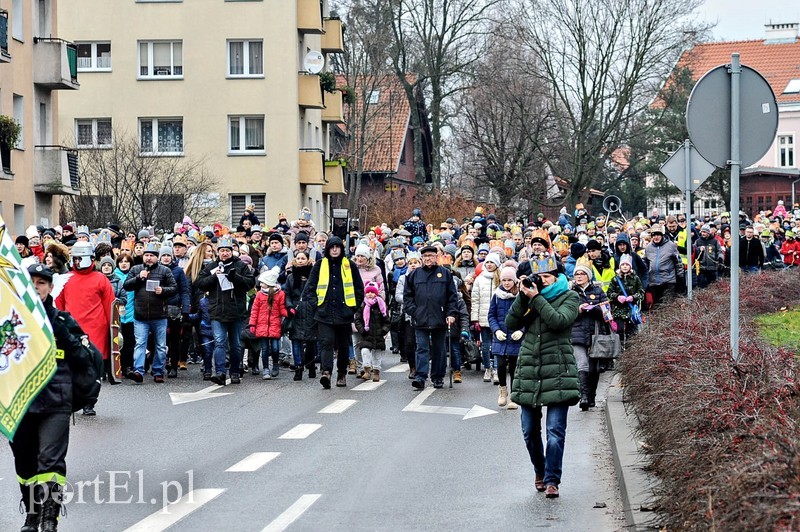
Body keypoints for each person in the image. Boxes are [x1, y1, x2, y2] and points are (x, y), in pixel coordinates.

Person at [12, 266, 84, 532]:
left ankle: (49, 517)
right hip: (20, 402)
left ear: (51, 288)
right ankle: (32, 513)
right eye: (31, 282)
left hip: (56, 401)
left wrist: (59, 330)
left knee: (51, 463)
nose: (37, 286)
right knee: (25, 462)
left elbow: (84, 357)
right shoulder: (9, 322)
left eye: (42, 282)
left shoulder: (63, 321)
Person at [506, 256, 580, 499]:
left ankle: (552, 480)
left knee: (555, 432)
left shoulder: (569, 296)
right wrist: (522, 294)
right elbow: (511, 322)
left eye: (547, 276)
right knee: (529, 431)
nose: (543, 281)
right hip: (529, 368)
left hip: (558, 369)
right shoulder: (529, 297)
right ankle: (540, 470)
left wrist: (536, 298)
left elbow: (558, 322)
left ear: (557, 277)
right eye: (540, 277)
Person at [55, 242, 116, 415]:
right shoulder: (65, 279)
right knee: (71, 366)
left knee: (91, 368)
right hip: (72, 329)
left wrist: (112, 333)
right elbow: (59, 306)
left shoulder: (100, 279)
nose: (76, 261)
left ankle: (89, 402)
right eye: (74, 258)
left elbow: (110, 307)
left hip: (95, 329)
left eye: (79, 258)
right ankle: (72, 399)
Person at [302, 236, 364, 389]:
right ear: (327, 249)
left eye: (337, 247)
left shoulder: (349, 265)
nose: (335, 249)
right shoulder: (319, 265)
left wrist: (353, 308)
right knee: (326, 343)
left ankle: (341, 373)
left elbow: (358, 289)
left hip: (344, 313)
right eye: (332, 247)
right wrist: (316, 305)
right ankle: (326, 372)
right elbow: (309, 289)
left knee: (343, 345)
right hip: (324, 312)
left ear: (341, 249)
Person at [195, 236, 255, 385]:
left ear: (232, 251)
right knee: (220, 342)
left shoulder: (240, 265)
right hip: (217, 312)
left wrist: (236, 277)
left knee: (235, 344)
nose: (225, 253)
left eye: (227, 251)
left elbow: (250, 283)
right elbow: (200, 283)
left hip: (236, 312)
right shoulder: (211, 267)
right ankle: (220, 372)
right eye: (222, 251)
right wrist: (214, 277)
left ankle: (235, 371)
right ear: (218, 252)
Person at [403, 245, 459, 390]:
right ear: (422, 258)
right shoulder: (414, 275)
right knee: (421, 348)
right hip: (420, 318)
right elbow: (407, 296)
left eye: (431, 256)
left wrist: (451, 314)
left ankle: (438, 377)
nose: (428, 259)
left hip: (440, 318)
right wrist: (413, 311)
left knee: (439, 349)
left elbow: (452, 297)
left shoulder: (445, 274)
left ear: (436, 257)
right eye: (425, 256)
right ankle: (420, 377)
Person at [123, 242, 178, 384]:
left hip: (159, 315)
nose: (148, 258)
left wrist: (163, 291)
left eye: (152, 256)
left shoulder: (165, 271)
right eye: (146, 255)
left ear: (157, 257)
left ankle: (158, 371)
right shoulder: (136, 269)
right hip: (140, 315)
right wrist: (138, 278)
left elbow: (174, 288)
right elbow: (126, 286)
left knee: (160, 345)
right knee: (140, 343)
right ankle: (138, 371)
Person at [570, 258, 609, 411]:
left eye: (582, 274)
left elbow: (607, 313)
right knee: (582, 365)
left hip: (595, 333)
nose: (579, 277)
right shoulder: (571, 293)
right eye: (576, 274)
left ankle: (591, 396)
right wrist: (578, 310)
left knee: (593, 369)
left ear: (588, 275)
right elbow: (566, 313)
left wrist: (595, 309)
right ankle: (584, 396)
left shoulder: (598, 291)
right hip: (577, 333)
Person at [489, 266, 523, 409]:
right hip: (501, 336)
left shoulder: (521, 295)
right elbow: (491, 315)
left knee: (515, 367)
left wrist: (522, 330)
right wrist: (496, 330)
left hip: (516, 337)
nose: (507, 283)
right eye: (504, 280)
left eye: (510, 280)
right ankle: (503, 392)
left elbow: (528, 315)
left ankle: (514, 395)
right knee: (501, 365)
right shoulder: (497, 295)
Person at [284, 250, 317, 380]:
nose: (300, 260)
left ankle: (311, 365)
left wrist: (315, 306)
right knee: (296, 340)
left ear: (308, 260)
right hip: (296, 311)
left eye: (303, 258)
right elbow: (287, 293)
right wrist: (289, 306)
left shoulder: (313, 275)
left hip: (310, 310)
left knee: (311, 341)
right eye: (298, 258)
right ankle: (298, 367)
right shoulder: (291, 277)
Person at [249, 269, 288, 380]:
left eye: (263, 282)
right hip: (262, 326)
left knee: (275, 348)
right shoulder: (259, 295)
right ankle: (266, 368)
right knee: (265, 349)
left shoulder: (280, 294)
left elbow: (281, 309)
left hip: (275, 325)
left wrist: (288, 313)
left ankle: (275, 364)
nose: (260, 285)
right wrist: (252, 324)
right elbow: (254, 310)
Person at [159, 245, 191, 378]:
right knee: (161, 338)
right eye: (163, 255)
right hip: (159, 307)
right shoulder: (156, 270)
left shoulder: (178, 271)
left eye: (168, 255)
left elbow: (184, 291)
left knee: (175, 339)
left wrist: (185, 307)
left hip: (174, 308)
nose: (166, 258)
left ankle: (173, 365)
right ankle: (161, 363)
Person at [471, 252, 501, 383]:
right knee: (485, 345)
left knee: (497, 344)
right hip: (483, 316)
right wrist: (475, 318)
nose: (489, 265)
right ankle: (487, 368)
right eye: (487, 262)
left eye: (492, 262)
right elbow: (475, 299)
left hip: (498, 317)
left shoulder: (500, 278)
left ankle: (496, 369)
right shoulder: (479, 279)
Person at [354, 281, 390, 382]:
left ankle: (376, 372)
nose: (370, 294)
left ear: (376, 293)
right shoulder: (363, 305)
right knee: (365, 352)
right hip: (366, 334)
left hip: (378, 335)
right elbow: (358, 320)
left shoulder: (381, 305)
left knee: (377, 355)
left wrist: (384, 330)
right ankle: (366, 370)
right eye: (368, 292)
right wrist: (362, 330)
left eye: (372, 292)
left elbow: (387, 321)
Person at [606, 254, 644, 348]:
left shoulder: (635, 278)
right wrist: (617, 297)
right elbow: (609, 293)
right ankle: (620, 349)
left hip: (631, 310)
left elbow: (641, 292)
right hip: (618, 310)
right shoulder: (615, 279)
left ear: (630, 266)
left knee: (631, 332)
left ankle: (630, 350)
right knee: (619, 331)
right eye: (623, 265)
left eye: (627, 265)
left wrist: (633, 297)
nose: (625, 267)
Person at [396, 251, 422, 379]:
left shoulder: (424, 277)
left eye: (416, 263)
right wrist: (411, 301)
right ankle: (412, 366)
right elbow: (398, 296)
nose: (413, 265)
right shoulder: (403, 278)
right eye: (410, 263)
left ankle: (421, 367)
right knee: (410, 342)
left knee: (421, 342)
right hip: (408, 315)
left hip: (423, 314)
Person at [644, 224, 682, 308]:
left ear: (662, 235)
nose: (656, 237)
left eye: (658, 234)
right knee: (657, 307)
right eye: (654, 235)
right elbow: (645, 264)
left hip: (668, 281)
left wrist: (680, 277)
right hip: (654, 282)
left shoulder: (670, 245)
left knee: (667, 306)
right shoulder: (648, 248)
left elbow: (678, 262)